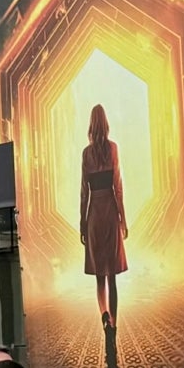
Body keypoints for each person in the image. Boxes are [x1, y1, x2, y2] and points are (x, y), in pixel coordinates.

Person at [80, 104, 129, 346]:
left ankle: (104, 315)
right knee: (113, 277)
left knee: (99, 276)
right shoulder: (113, 149)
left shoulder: (86, 153)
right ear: (106, 124)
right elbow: (117, 187)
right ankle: (114, 325)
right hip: (110, 211)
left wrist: (82, 223)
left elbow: (84, 192)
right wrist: (123, 219)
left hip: (94, 215)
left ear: (91, 125)